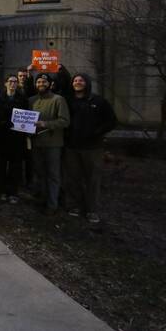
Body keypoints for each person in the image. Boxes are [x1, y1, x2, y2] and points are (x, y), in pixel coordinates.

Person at [64, 73, 117, 223]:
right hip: (72, 146)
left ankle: (92, 210)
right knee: (73, 178)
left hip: (93, 148)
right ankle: (74, 206)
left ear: (86, 83)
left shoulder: (98, 101)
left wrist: (97, 132)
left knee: (92, 180)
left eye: (81, 80)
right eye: (75, 80)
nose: (78, 82)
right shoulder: (68, 101)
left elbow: (112, 121)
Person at [29, 73, 70, 215]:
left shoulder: (58, 100)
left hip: (53, 144)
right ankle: (42, 199)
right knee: (40, 173)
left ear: (50, 84)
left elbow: (65, 121)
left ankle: (52, 204)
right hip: (36, 143)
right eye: (38, 81)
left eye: (44, 82)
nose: (41, 84)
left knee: (53, 175)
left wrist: (46, 124)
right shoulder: (31, 100)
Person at [0, 74, 29, 204]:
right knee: (2, 166)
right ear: (5, 83)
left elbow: (26, 115)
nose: (13, 84)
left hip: (17, 137)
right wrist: (3, 122)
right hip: (2, 136)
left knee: (15, 167)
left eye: (15, 82)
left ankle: (13, 192)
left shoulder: (22, 98)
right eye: (10, 81)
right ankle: (2, 191)